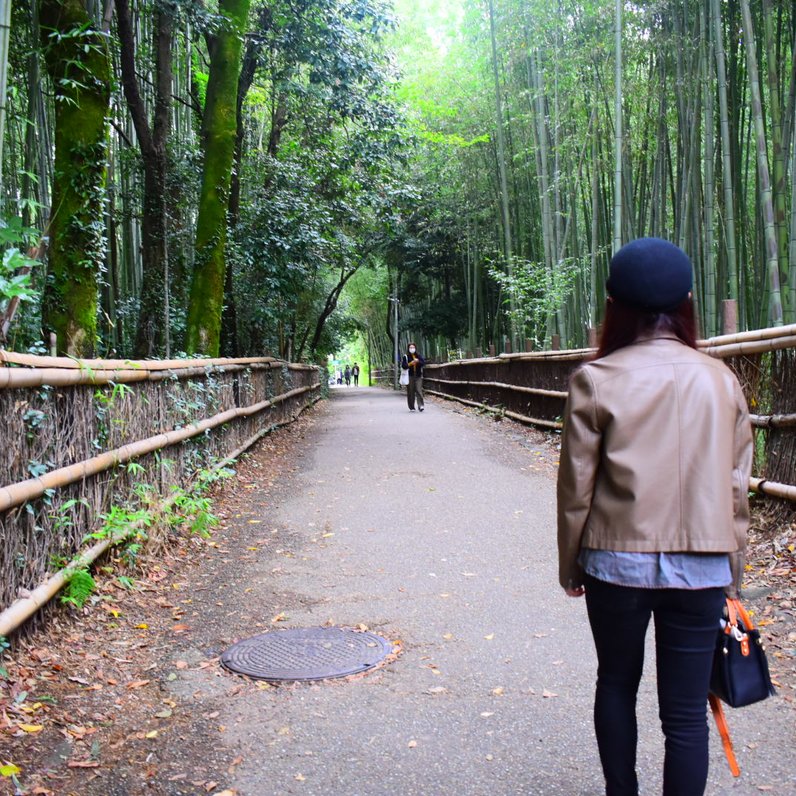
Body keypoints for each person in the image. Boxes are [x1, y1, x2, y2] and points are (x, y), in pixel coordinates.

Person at [557, 238, 753, 796]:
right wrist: (730, 569)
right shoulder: (721, 381)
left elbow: (577, 489)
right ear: (688, 300)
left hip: (615, 561)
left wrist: (572, 565)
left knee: (616, 684)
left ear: (612, 302)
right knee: (687, 712)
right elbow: (736, 490)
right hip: (703, 564)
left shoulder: (595, 379)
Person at [401, 342, 425, 411]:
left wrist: (418, 362)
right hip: (409, 375)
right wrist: (411, 363)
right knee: (410, 391)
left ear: (415, 348)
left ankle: (421, 406)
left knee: (419, 390)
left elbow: (423, 363)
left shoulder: (418, 355)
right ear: (408, 349)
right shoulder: (406, 356)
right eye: (410, 347)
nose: (412, 349)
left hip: (418, 375)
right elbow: (404, 366)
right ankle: (411, 407)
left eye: (413, 347)